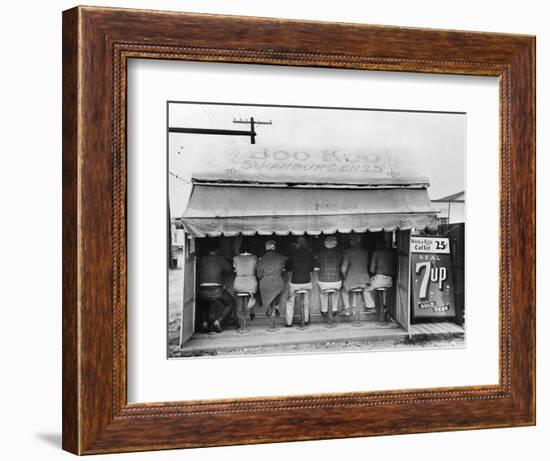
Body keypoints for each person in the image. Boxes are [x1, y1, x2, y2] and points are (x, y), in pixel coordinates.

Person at [197, 244, 235, 333]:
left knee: (203, 303)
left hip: (202, 290)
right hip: (216, 290)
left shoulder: (201, 259)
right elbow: (229, 270)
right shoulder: (220, 259)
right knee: (230, 303)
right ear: (217, 250)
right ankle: (218, 321)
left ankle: (204, 322)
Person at [341, 235, 375, 315]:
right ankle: (371, 307)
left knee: (343, 290)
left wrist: (344, 277)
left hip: (352, 280)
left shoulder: (348, 252)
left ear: (353, 242)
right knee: (366, 289)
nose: (350, 242)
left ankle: (347, 309)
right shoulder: (365, 252)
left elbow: (343, 268)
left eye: (351, 240)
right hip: (364, 280)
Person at [285, 236, 314, 327]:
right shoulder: (309, 253)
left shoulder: (292, 254)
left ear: (298, 244)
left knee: (290, 301)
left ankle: (289, 322)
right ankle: (305, 320)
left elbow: (288, 268)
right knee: (306, 300)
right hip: (307, 282)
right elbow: (311, 269)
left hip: (295, 283)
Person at [256, 240, 287, 316]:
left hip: (265, 285)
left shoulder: (261, 259)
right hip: (278, 284)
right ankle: (275, 307)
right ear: (274, 247)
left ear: (266, 248)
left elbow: (259, 275)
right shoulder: (281, 257)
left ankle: (269, 308)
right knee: (283, 290)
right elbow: (285, 265)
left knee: (266, 293)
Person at [315, 235, 343, 317]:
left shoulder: (320, 255)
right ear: (336, 244)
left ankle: (324, 310)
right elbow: (341, 267)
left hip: (323, 282)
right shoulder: (339, 255)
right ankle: (334, 309)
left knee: (323, 293)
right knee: (336, 292)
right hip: (336, 282)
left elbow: (317, 266)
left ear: (325, 244)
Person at [368, 239, 397, 314]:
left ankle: (371, 307)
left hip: (379, 278)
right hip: (389, 280)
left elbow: (372, 270)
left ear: (378, 245)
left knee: (367, 288)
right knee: (385, 291)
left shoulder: (376, 253)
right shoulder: (391, 253)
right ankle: (384, 305)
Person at [233, 247, 258, 323]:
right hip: (251, 284)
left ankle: (238, 316)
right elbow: (256, 268)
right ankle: (252, 311)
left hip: (238, 284)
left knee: (237, 296)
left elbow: (234, 268)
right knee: (254, 291)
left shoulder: (235, 258)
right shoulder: (254, 257)